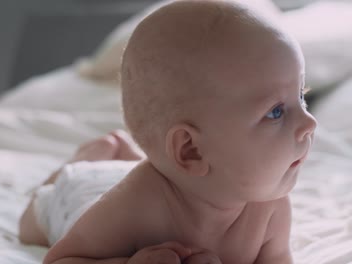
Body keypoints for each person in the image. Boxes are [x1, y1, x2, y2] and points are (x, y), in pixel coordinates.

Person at [19, 0, 317, 263]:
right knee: (32, 218)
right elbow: (62, 259)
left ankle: (119, 151)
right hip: (81, 192)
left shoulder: (270, 204)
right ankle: (79, 162)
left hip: (146, 175)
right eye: (275, 111)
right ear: (191, 150)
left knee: (125, 167)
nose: (309, 123)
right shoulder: (134, 206)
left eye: (301, 96)